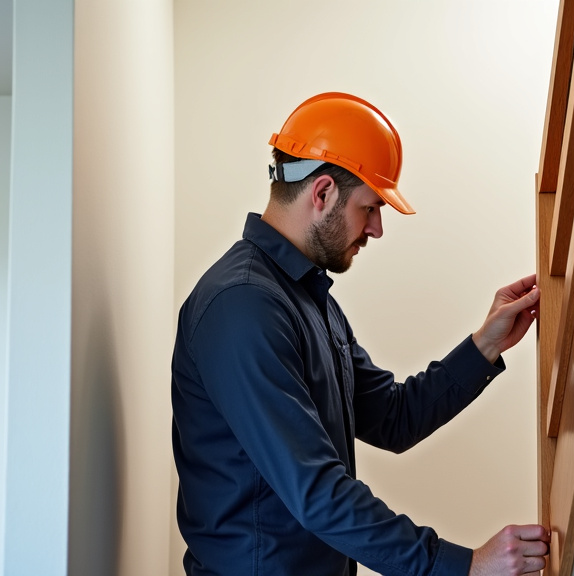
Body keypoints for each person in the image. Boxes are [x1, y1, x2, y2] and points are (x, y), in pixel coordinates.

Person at [171, 92, 548, 576]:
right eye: (370, 208)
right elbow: (317, 491)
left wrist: (485, 345)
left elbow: (392, 417)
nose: (377, 229)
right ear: (323, 193)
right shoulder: (243, 305)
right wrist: (464, 566)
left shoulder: (309, 299)